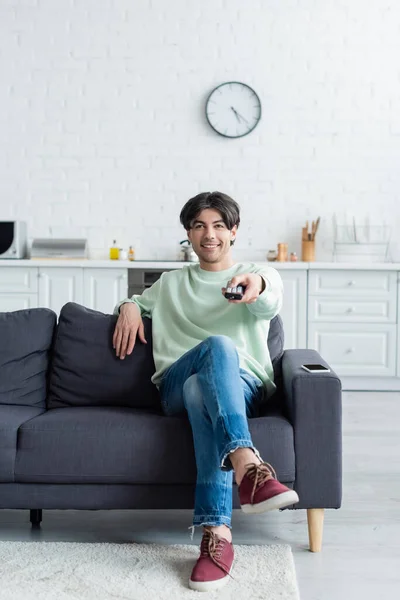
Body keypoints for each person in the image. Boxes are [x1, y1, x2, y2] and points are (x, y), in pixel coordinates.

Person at [113, 191, 299, 592]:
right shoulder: (169, 284)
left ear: (233, 232)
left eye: (218, 226)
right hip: (174, 387)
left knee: (204, 387)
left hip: (240, 388)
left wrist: (256, 285)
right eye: (199, 226)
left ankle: (217, 534)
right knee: (211, 355)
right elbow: (135, 301)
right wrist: (129, 305)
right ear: (188, 234)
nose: (208, 234)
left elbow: (267, 296)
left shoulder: (255, 274)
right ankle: (248, 466)